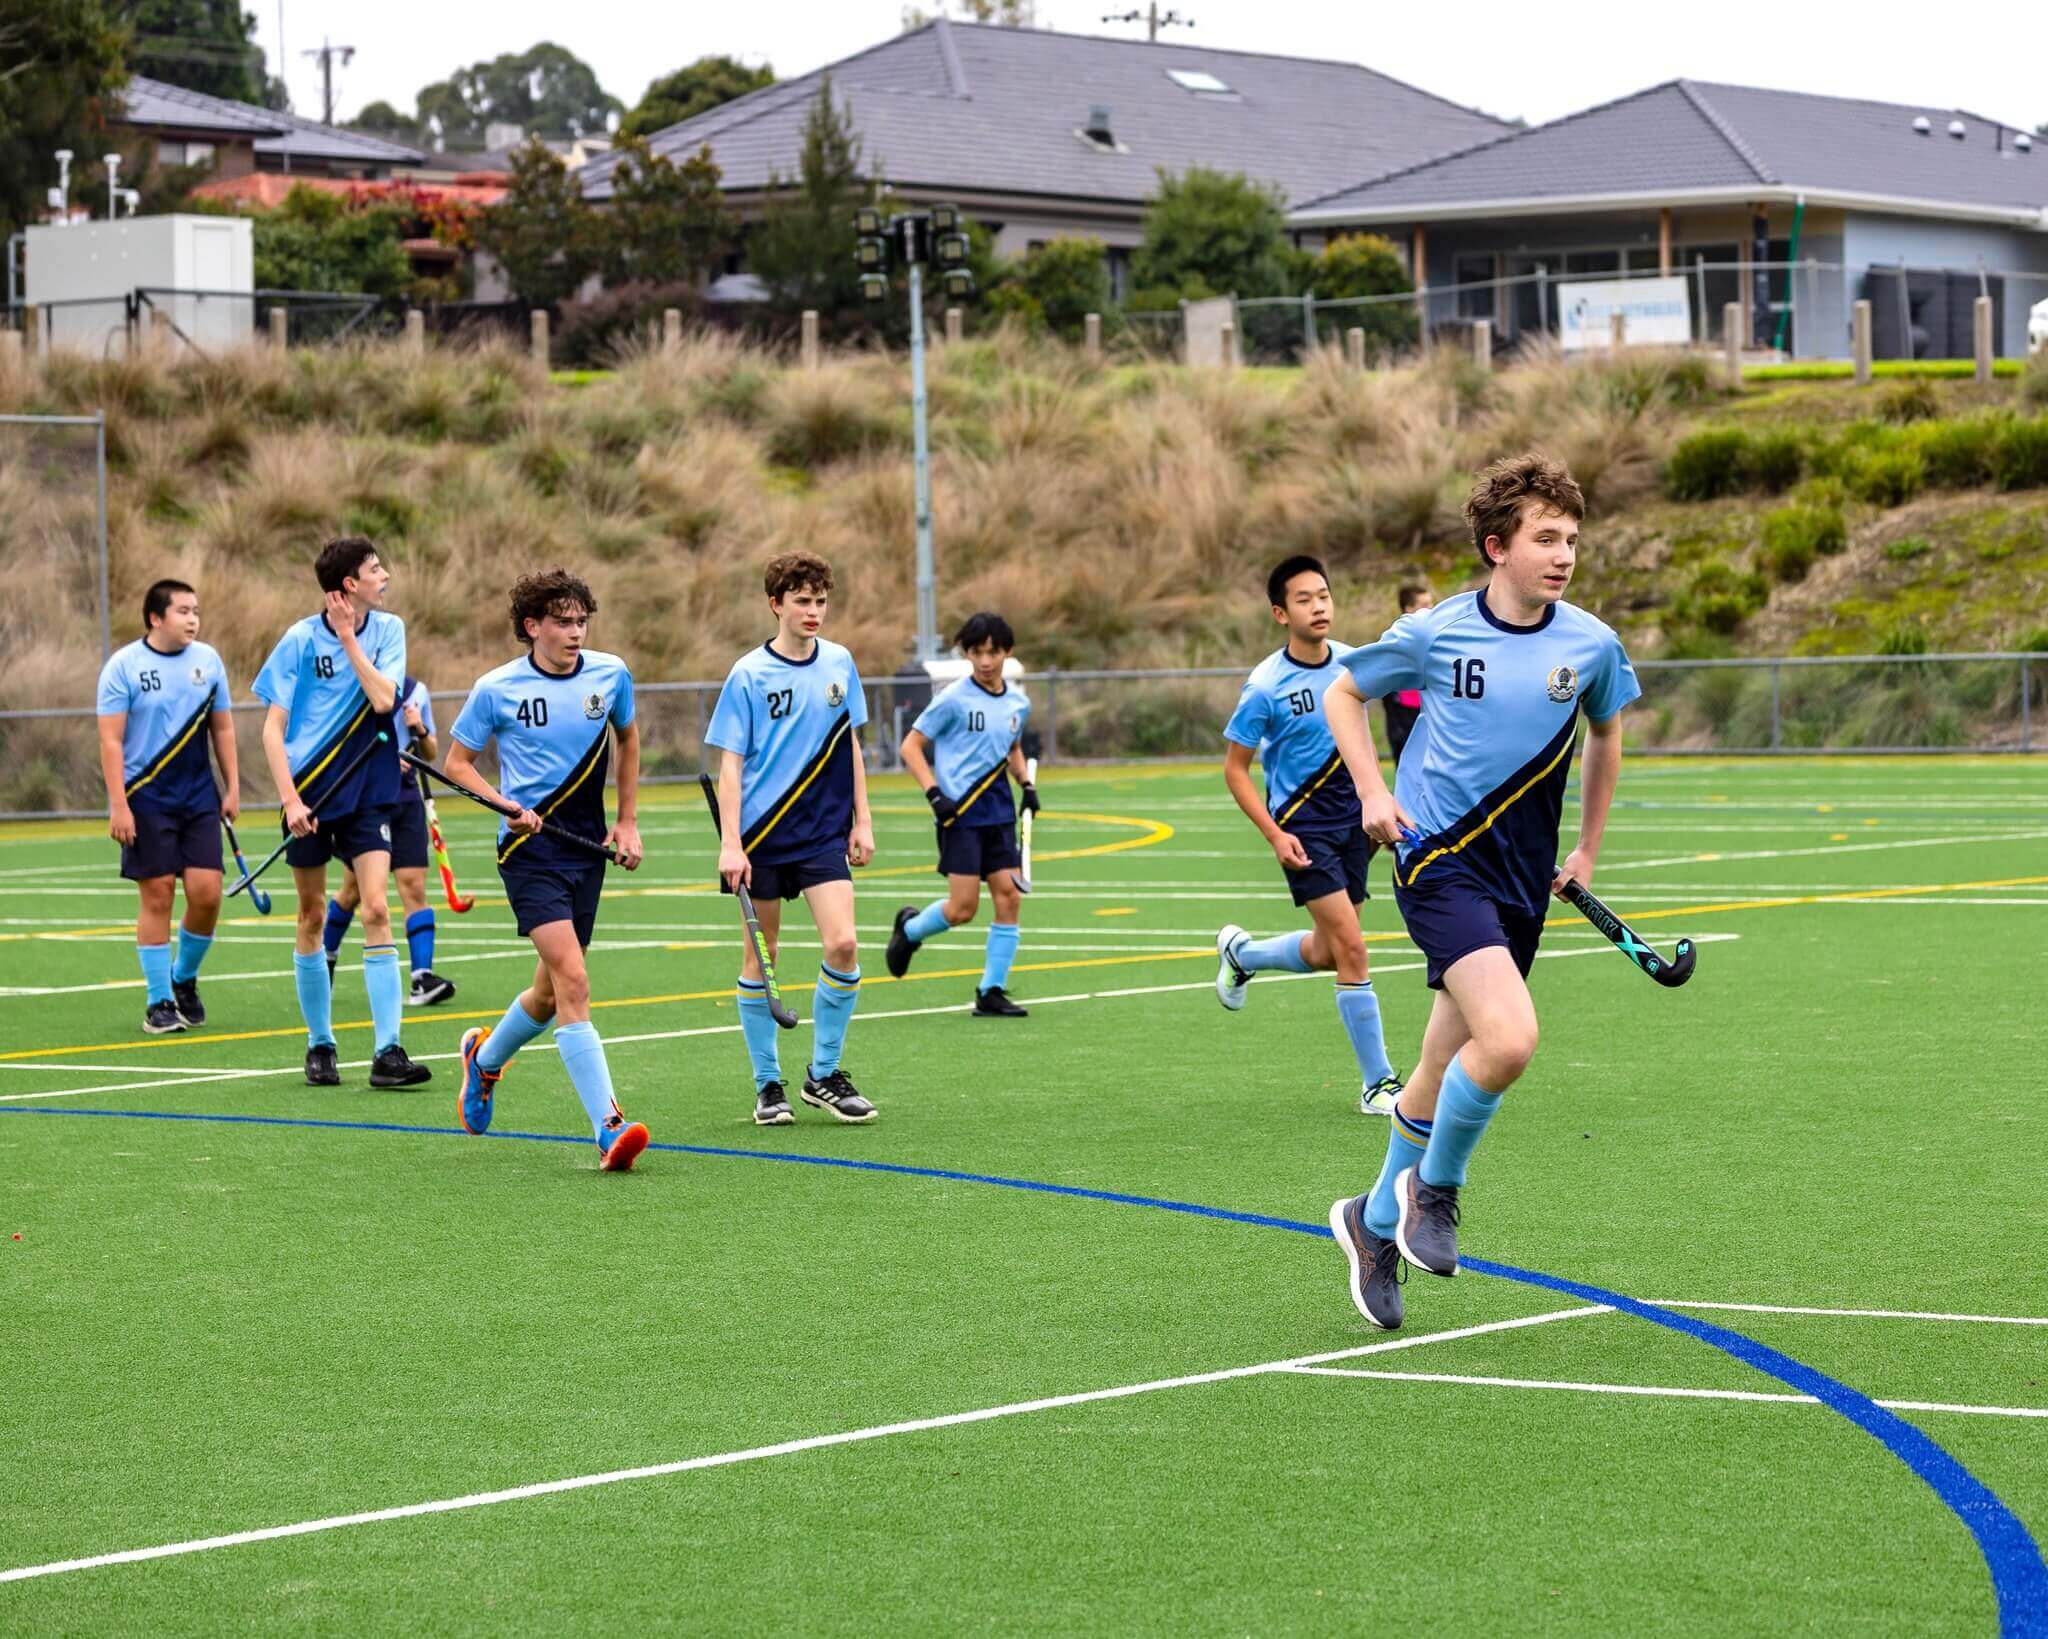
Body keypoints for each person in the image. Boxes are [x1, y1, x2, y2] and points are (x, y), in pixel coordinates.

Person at [1323, 454, 1640, 1330]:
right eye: (1545, 537)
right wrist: (1374, 793)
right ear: (1497, 546)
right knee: (1509, 1040)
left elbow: (1608, 736)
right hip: (1436, 860)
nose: (1564, 553)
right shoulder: (1434, 631)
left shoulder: (1591, 644)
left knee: (1434, 1067)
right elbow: (1344, 695)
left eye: (1572, 538)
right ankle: (1435, 1190)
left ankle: (1373, 1220)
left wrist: (1586, 847)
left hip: (1522, 879)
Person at [446, 569, 649, 1172]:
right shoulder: (496, 688)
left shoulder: (611, 675)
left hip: (585, 847)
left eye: (581, 621)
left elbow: (630, 737)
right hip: (528, 853)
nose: (575, 632)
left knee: (546, 992)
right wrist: (504, 805)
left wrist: (628, 820)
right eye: (562, 621)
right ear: (532, 626)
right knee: (575, 982)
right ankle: (608, 1126)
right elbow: (458, 763)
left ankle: (483, 1061)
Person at [1215, 555, 1403, 1117]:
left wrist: (1381, 799)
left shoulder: (1352, 664)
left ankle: (1242, 953)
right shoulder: (1265, 686)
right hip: (1304, 829)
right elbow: (1235, 768)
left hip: (1356, 826)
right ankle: (1379, 1084)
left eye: (1324, 594)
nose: (1318, 606)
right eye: (1304, 598)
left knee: (1328, 952)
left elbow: (1363, 742)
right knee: (1352, 948)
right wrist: (1274, 834)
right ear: (1280, 612)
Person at [706, 551, 878, 1127]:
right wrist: (732, 842)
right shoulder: (749, 674)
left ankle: (824, 1074)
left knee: (845, 944)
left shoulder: (840, 663)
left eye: (821, 600)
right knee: (763, 955)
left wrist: (863, 819)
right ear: (775, 604)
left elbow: (850, 744)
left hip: (821, 835)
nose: (813, 611)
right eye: (801, 600)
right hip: (761, 838)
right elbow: (729, 766)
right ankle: (767, 1085)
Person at [252, 536, 430, 1090]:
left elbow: (384, 701)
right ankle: (320, 1044)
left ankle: (388, 1052)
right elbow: (272, 730)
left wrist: (352, 641)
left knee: (377, 908)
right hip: (307, 794)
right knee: (310, 917)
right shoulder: (298, 641)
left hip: (368, 789)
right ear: (348, 584)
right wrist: (290, 801)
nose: (386, 576)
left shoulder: (389, 630)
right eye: (376, 570)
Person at [94, 579, 239, 1035]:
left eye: (195, 610)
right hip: (146, 796)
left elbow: (224, 730)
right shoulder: (124, 667)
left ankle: (184, 979)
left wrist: (233, 786)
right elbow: (111, 741)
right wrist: (119, 804)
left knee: (207, 893)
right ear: (155, 618)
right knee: (158, 894)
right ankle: (158, 1003)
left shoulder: (208, 661)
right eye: (182, 611)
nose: (192, 618)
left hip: (198, 795)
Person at [885, 612, 1039, 1017]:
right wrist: (934, 794)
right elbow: (911, 747)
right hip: (961, 814)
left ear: (1007, 652)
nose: (985, 661)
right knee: (963, 908)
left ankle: (991, 991)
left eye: (993, 652)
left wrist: (1027, 785)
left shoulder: (1018, 703)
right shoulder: (953, 698)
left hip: (999, 811)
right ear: (966, 654)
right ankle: (910, 929)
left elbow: (1012, 748)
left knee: (1008, 897)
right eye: (976, 652)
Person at [321, 673, 456, 1006]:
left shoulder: (416, 691)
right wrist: (381, 761)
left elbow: (431, 750)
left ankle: (421, 978)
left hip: (406, 801)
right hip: (365, 802)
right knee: (353, 892)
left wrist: (418, 728)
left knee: (413, 885)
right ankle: (324, 961)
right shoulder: (354, 688)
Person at [1380, 583, 1434, 768]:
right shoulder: (1395, 640)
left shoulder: (1437, 638)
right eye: (1424, 605)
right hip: (1404, 723)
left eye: (1431, 604)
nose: (1431, 610)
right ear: (1408, 609)